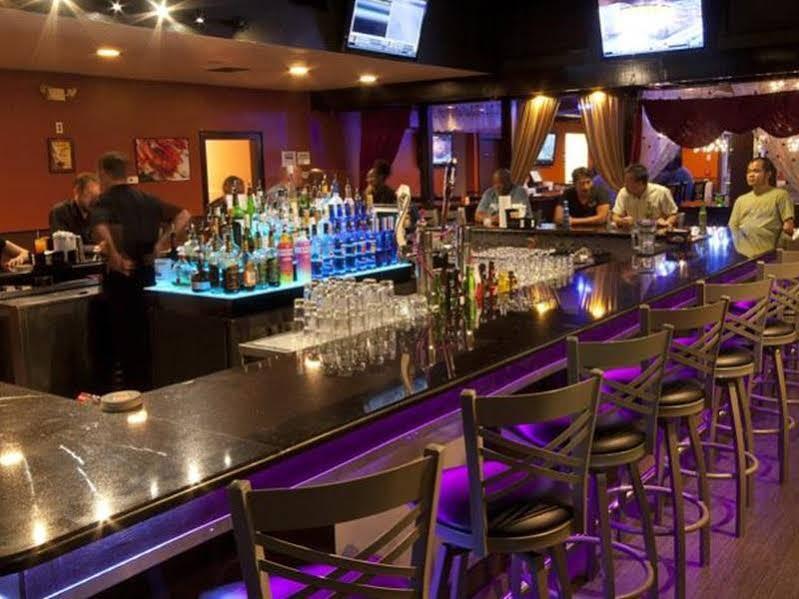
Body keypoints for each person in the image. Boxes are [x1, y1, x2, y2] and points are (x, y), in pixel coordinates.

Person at [91, 151, 191, 391]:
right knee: (147, 343)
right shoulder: (146, 199)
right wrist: (161, 244)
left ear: (104, 173)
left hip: (121, 280)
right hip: (148, 278)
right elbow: (184, 215)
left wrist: (114, 255)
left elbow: (100, 227)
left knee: (124, 346)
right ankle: (150, 392)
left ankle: (130, 395)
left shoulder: (104, 201)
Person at [728, 156, 794, 241]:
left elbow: (788, 227)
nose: (751, 175)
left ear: (768, 174)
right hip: (744, 245)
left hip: (770, 246)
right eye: (748, 172)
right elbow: (732, 227)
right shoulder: (740, 200)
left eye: (756, 171)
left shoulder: (780, 195)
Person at [612, 163, 678, 229]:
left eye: (628, 182)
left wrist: (666, 222)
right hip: (632, 231)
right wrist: (621, 221)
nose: (625, 184)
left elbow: (673, 214)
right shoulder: (624, 192)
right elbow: (615, 215)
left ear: (640, 183)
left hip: (656, 231)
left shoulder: (662, 192)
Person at [49, 172, 101, 244]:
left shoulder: (96, 213)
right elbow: (62, 244)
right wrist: (96, 247)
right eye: (90, 194)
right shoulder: (60, 212)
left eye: (96, 196)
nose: (94, 200)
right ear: (77, 192)